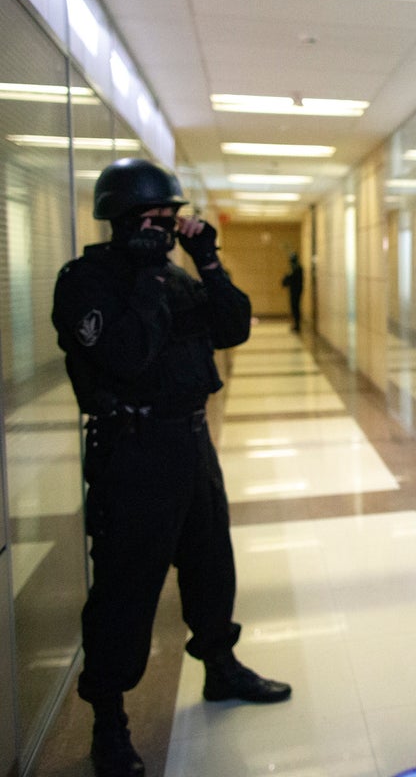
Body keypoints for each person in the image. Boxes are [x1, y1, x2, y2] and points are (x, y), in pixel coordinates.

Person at [52, 158, 292, 777]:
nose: (165, 226)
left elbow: (233, 327)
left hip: (190, 443)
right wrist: (143, 276)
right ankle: (109, 720)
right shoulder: (86, 282)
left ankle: (220, 666)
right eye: (153, 217)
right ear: (121, 218)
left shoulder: (176, 277)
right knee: (126, 588)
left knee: (212, 564)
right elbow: (127, 355)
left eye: (171, 216)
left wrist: (208, 262)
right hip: (132, 452)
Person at [281, 251, 304, 332]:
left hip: (296, 291)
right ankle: (296, 324)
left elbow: (292, 279)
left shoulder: (297, 269)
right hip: (294, 290)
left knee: (295, 307)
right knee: (294, 308)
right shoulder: (295, 268)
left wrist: (287, 278)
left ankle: (297, 325)